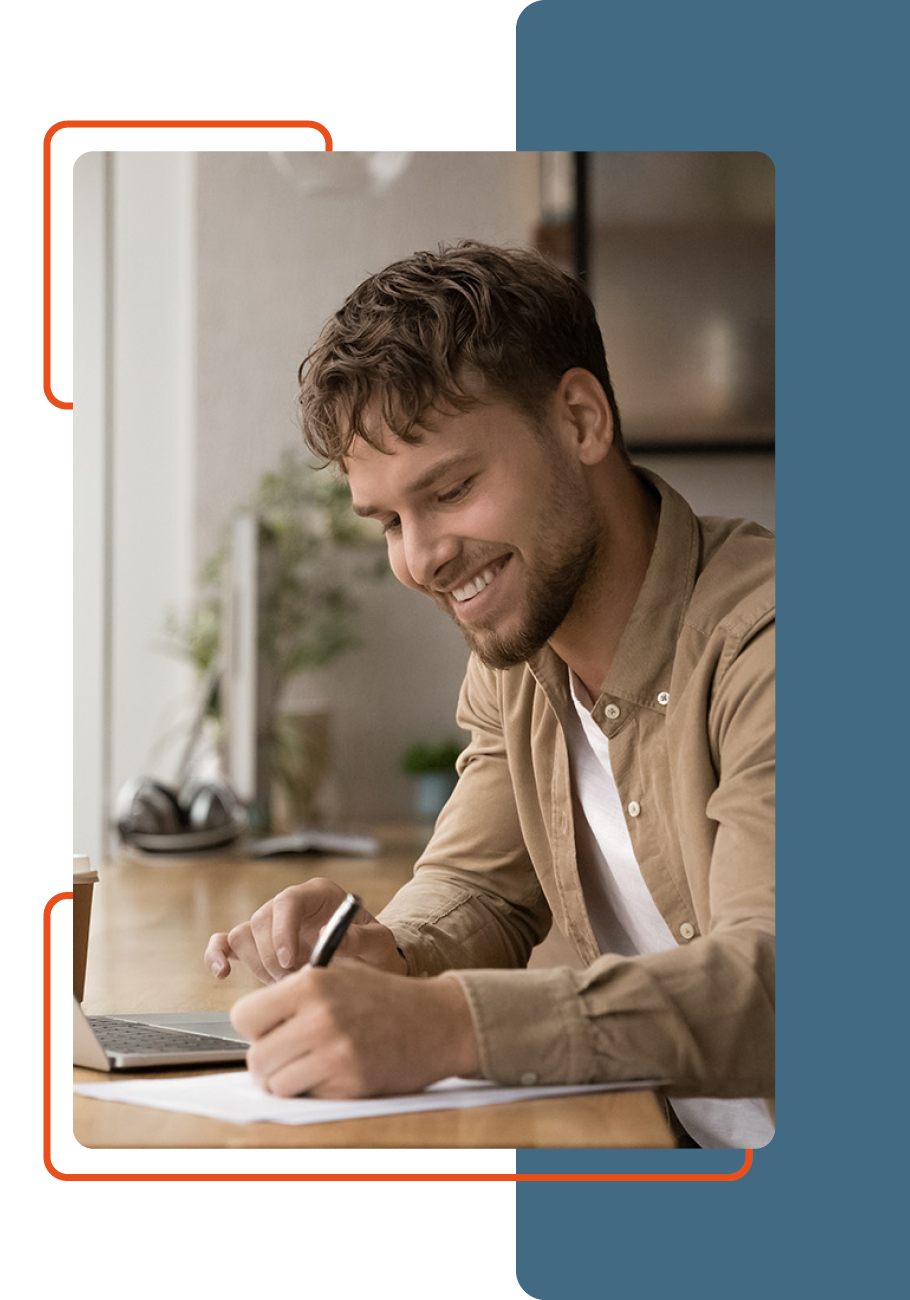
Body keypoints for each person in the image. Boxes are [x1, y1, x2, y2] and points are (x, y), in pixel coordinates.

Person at [204, 241, 774, 1148]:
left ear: (582, 421)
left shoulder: (772, 643)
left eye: (453, 489)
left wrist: (450, 1026)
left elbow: (778, 988)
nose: (422, 558)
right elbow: (481, 886)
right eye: (391, 520)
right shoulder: (516, 656)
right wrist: (378, 952)